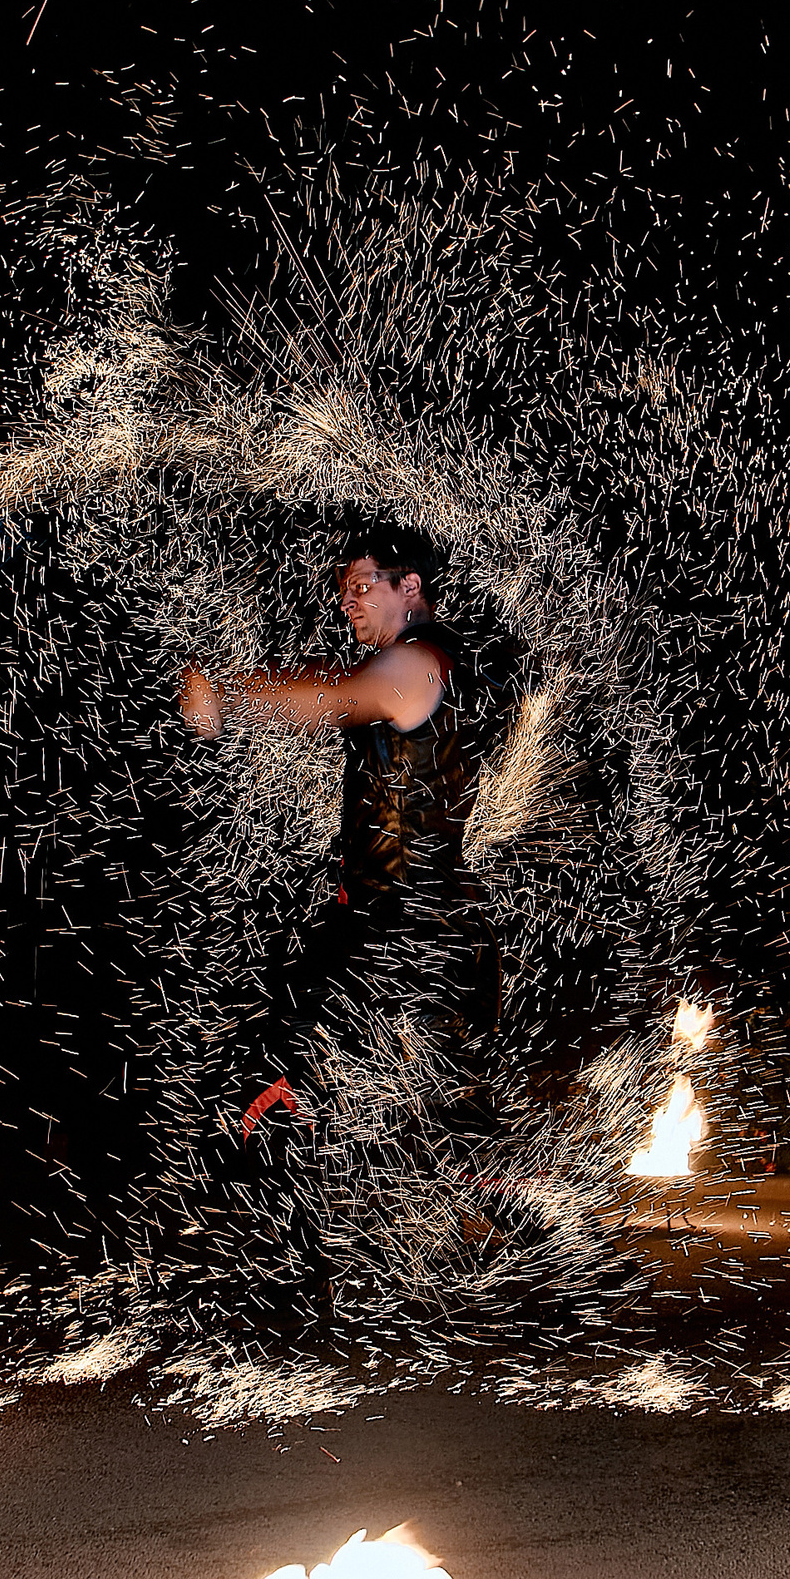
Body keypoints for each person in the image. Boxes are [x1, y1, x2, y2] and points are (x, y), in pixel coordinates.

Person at [171, 523, 510, 1327]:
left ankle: (319, 1268)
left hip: (413, 939)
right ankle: (328, 1260)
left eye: (363, 586)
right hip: (393, 932)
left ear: (410, 587)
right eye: (343, 587)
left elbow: (330, 696)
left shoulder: (415, 664)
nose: (347, 600)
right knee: (328, 1090)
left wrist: (231, 695)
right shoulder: (421, 667)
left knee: (304, 1080)